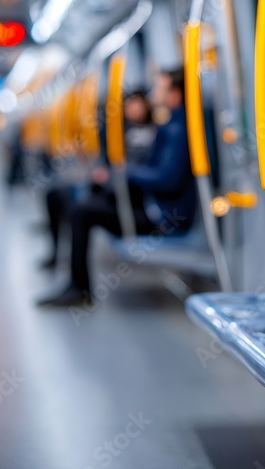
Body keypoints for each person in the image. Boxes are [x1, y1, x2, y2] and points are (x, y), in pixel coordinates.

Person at [38, 70, 196, 306]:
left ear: (174, 93)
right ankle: (73, 279)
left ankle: (79, 289)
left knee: (82, 211)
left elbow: (167, 179)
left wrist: (124, 172)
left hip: (160, 214)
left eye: (160, 88)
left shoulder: (175, 129)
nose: (154, 94)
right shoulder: (169, 125)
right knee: (80, 201)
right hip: (149, 203)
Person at [39, 90, 157, 270]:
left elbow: (136, 170)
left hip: (131, 198)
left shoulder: (153, 133)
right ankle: (59, 254)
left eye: (137, 104)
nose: (132, 109)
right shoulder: (119, 130)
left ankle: (78, 282)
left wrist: (115, 173)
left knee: (79, 211)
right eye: (129, 105)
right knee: (56, 195)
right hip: (111, 187)